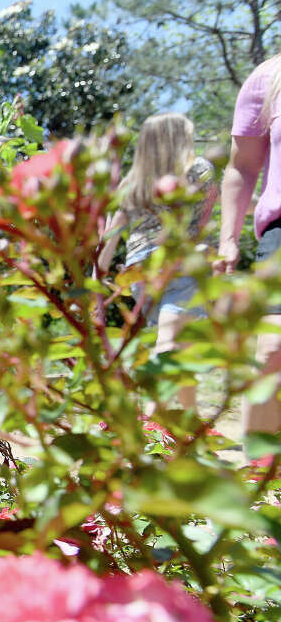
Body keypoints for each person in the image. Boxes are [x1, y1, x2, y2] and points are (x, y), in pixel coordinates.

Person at [96, 112, 218, 412]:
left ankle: (188, 420)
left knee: (178, 346)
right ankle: (151, 417)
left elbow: (114, 229)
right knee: (170, 342)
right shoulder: (199, 169)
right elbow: (219, 203)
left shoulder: (133, 180)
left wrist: (97, 274)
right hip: (182, 263)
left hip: (138, 270)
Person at [216, 53, 281, 445]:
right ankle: (260, 483)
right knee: (274, 350)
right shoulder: (269, 77)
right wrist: (227, 239)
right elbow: (242, 166)